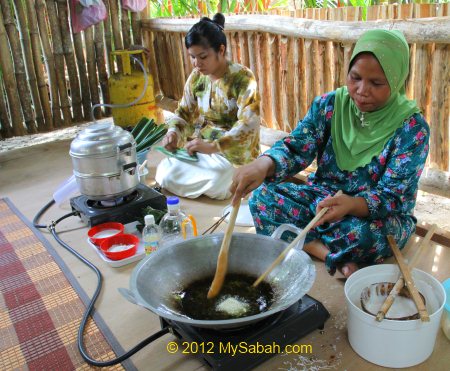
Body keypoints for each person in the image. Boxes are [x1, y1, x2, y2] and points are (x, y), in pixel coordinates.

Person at [230, 29, 430, 278]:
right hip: (322, 199)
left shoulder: (411, 129)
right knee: (262, 198)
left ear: (398, 79)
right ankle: (323, 252)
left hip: (373, 215)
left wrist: (353, 204)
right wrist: (264, 164)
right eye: (355, 77)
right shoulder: (329, 105)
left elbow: (393, 196)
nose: (361, 90)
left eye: (376, 83)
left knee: (365, 236)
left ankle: (309, 241)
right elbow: (297, 146)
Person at [155, 13, 260, 200]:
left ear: (221, 50)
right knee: (164, 172)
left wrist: (215, 146)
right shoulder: (197, 77)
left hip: (233, 153)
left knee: (218, 181)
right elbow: (184, 112)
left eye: (202, 57)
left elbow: (248, 124)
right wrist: (174, 133)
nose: (196, 64)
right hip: (202, 148)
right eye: (192, 57)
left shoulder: (243, 78)